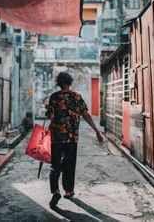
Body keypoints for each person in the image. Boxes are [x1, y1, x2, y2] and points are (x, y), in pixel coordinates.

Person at [45, 71, 104, 208]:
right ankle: (68, 191)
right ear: (70, 82)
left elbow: (51, 116)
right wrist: (97, 131)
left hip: (56, 137)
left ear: (59, 83)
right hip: (71, 137)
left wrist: (51, 112)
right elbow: (86, 115)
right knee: (69, 165)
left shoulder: (54, 97)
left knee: (55, 164)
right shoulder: (76, 97)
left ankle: (55, 191)